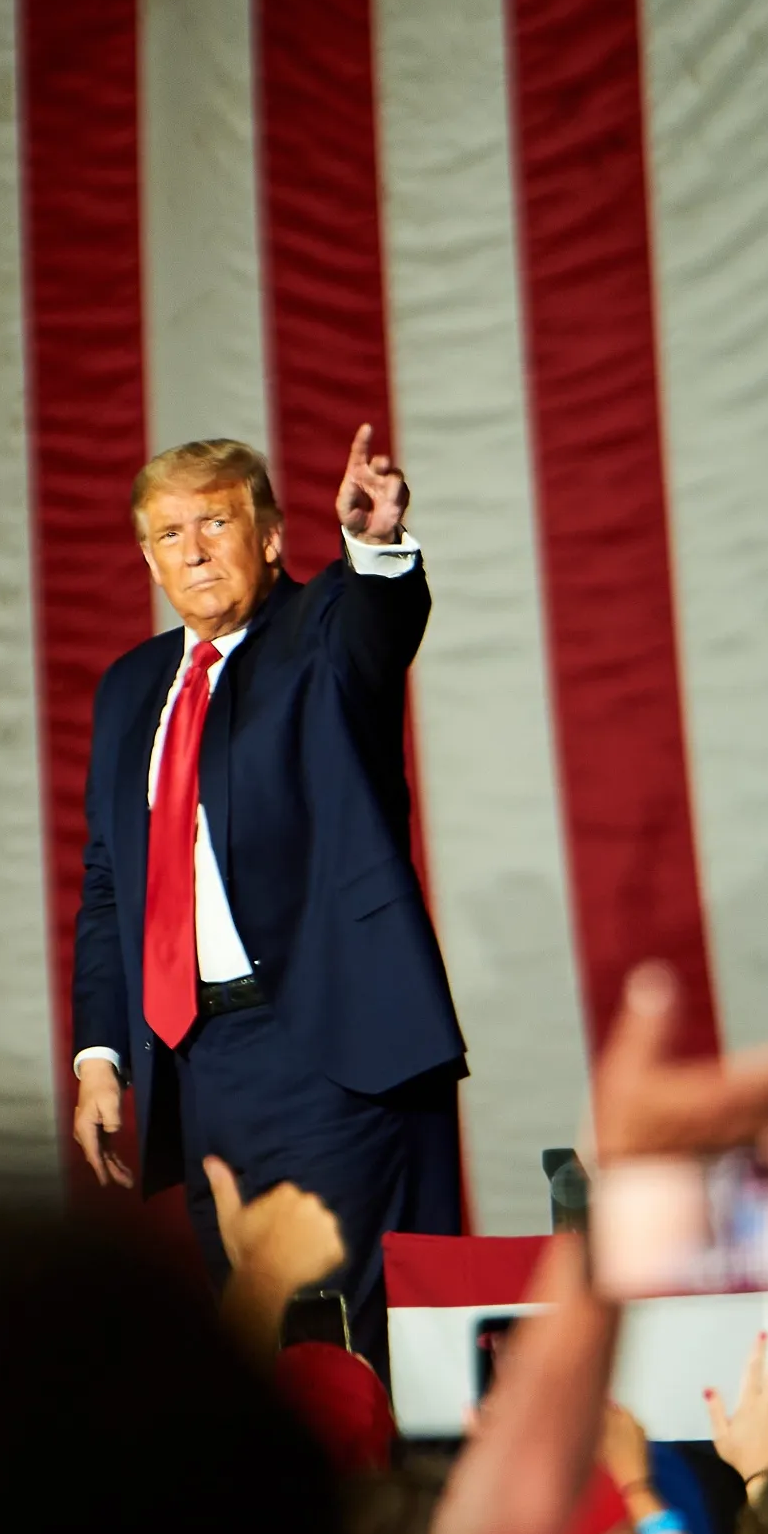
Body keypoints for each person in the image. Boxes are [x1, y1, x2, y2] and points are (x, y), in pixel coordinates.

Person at [71, 425, 466, 1372]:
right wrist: (99, 1056)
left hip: (327, 1054)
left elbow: (380, 629)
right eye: (170, 534)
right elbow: (109, 883)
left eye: (217, 522)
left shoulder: (322, 631)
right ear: (147, 558)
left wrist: (373, 546)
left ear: (274, 538)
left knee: (348, 1341)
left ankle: (388, 1517)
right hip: (198, 1066)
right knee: (258, 1348)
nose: (195, 550)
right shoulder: (130, 689)